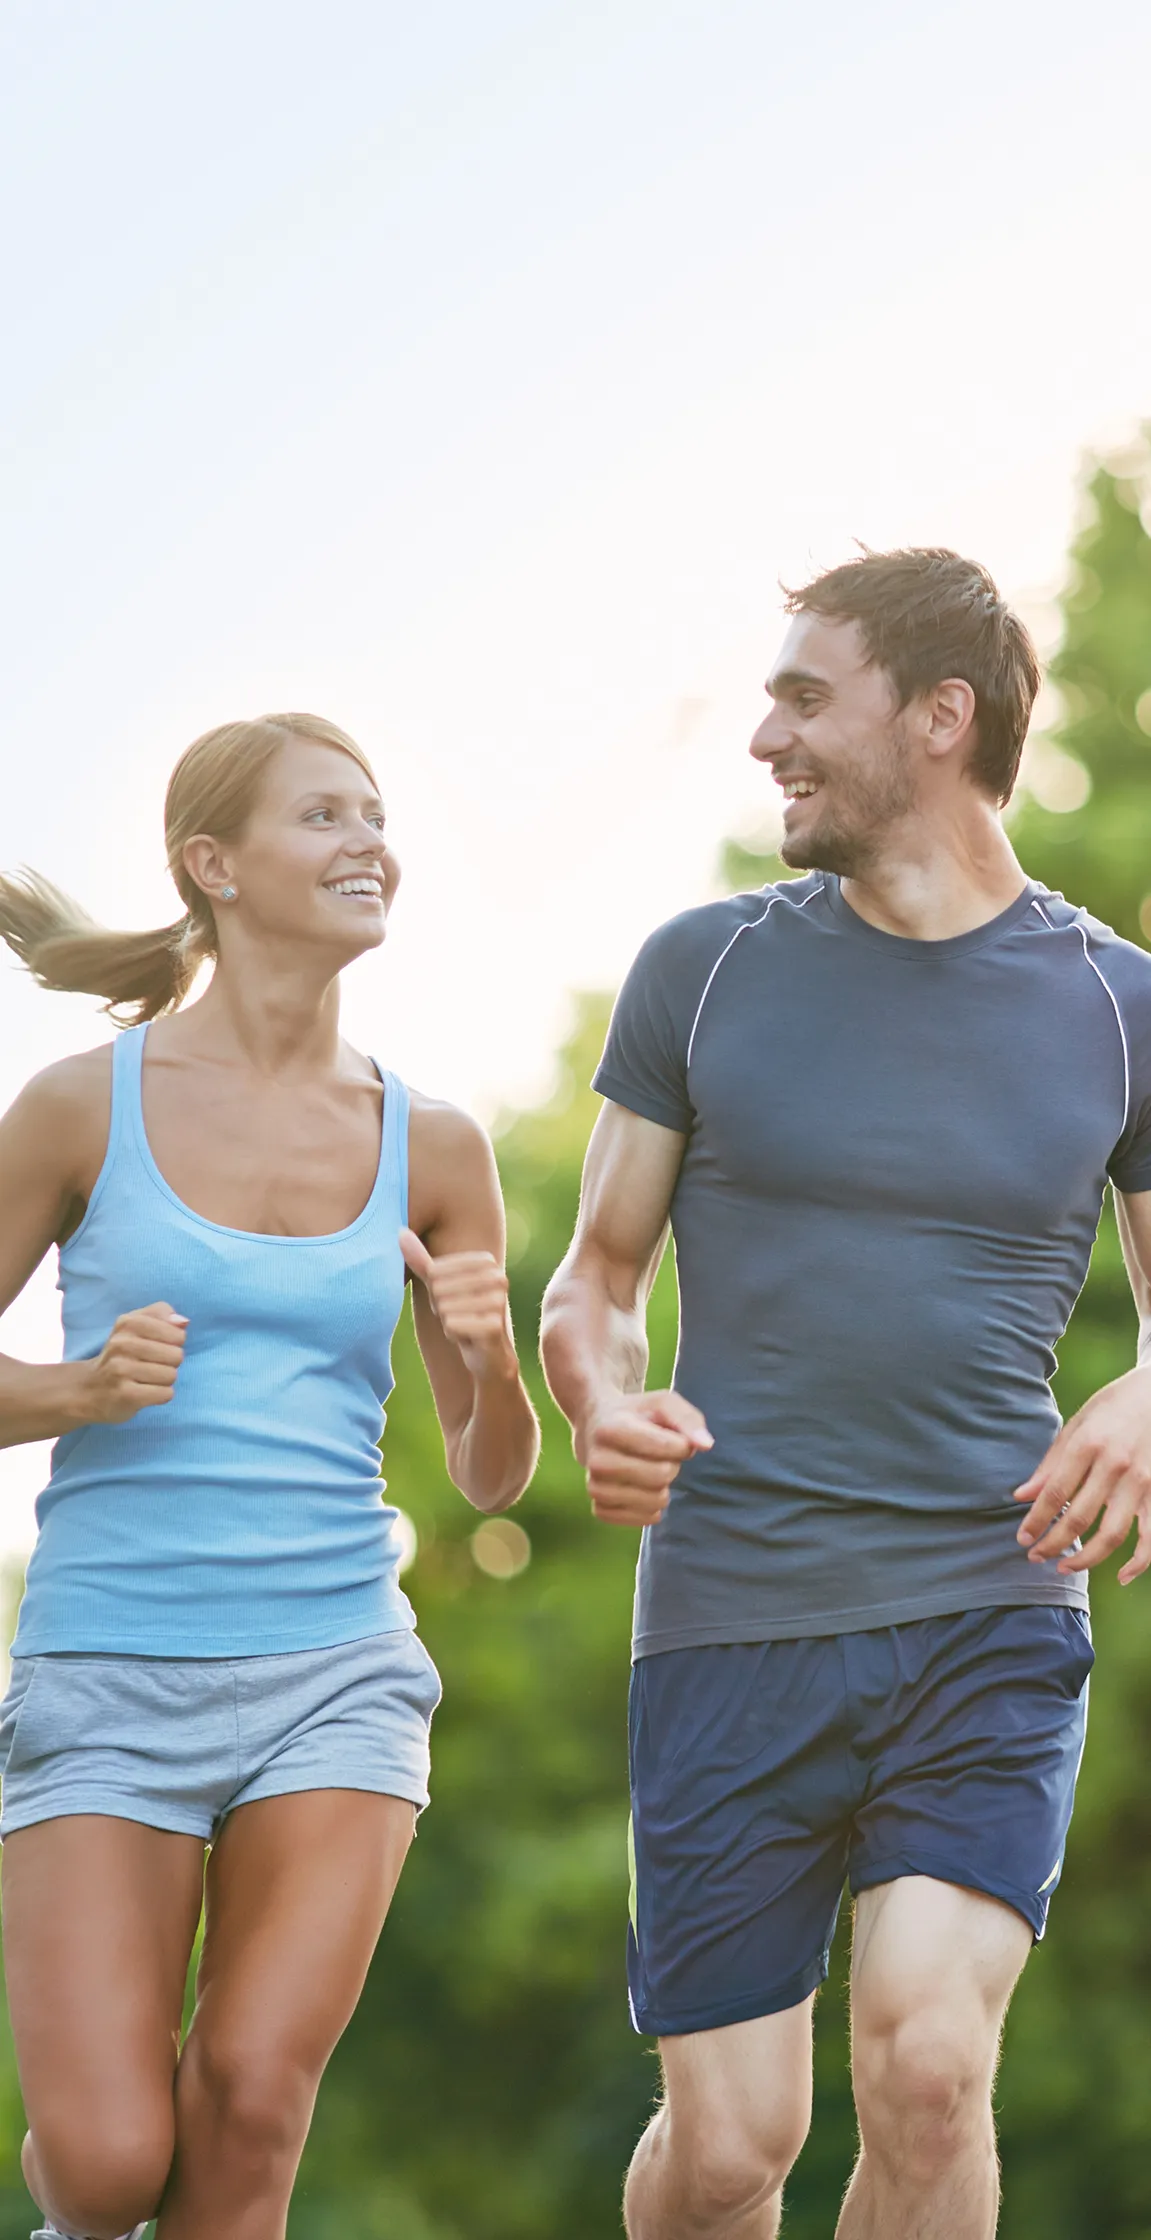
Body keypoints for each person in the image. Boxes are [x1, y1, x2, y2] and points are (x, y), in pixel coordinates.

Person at [540, 548, 1151, 2240]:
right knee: (732, 2148)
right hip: (736, 1611)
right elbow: (592, 1275)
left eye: (805, 696)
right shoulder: (706, 969)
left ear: (938, 718)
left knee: (930, 2070)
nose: (763, 737)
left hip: (986, 1605)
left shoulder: (1117, 1005)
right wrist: (598, 1394)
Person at [0, 711, 539, 2240]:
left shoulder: (432, 1145)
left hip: (336, 1675)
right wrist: (72, 1390)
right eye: (323, 816)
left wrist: (489, 1361)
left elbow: (495, 1478)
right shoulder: (75, 1107)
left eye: (374, 812)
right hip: (108, 1669)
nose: (368, 840)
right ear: (212, 866)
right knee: (107, 2169)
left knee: (249, 2106)